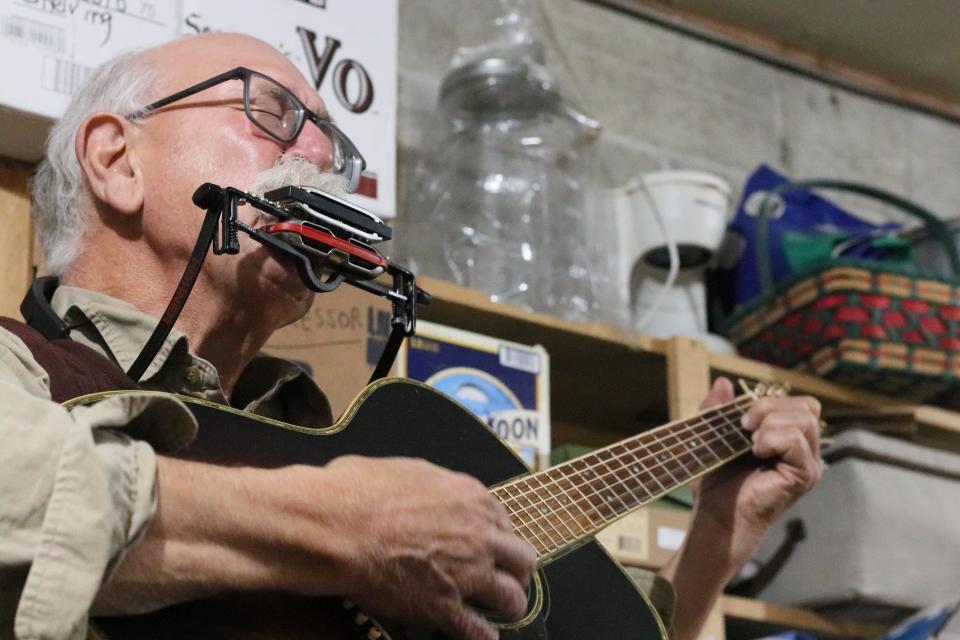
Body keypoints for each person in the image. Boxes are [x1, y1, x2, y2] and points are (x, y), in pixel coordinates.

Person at [0, 32, 823, 640]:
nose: (322, 157)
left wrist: (716, 535)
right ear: (116, 160)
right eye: (274, 111)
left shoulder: (333, 437)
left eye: (335, 142)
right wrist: (346, 528)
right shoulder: (20, 368)